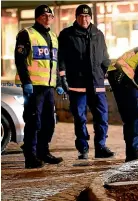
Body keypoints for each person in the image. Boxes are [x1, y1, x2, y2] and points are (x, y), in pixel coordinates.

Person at [58, 4, 114, 159]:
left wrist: (104, 72)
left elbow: (105, 57)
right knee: (80, 117)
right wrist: (62, 77)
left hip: (97, 83)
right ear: (76, 17)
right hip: (77, 83)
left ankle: (100, 146)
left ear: (91, 17)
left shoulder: (98, 34)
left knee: (102, 116)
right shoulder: (67, 35)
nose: (84, 19)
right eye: (81, 16)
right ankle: (83, 148)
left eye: (87, 16)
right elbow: (60, 58)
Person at [14, 5, 64, 168]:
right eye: (44, 15)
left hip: (48, 87)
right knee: (34, 121)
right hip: (34, 87)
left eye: (50, 15)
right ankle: (30, 156)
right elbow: (20, 60)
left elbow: (54, 63)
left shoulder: (53, 36)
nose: (47, 17)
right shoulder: (26, 34)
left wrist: (58, 82)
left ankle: (43, 151)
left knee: (49, 122)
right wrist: (26, 81)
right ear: (37, 17)